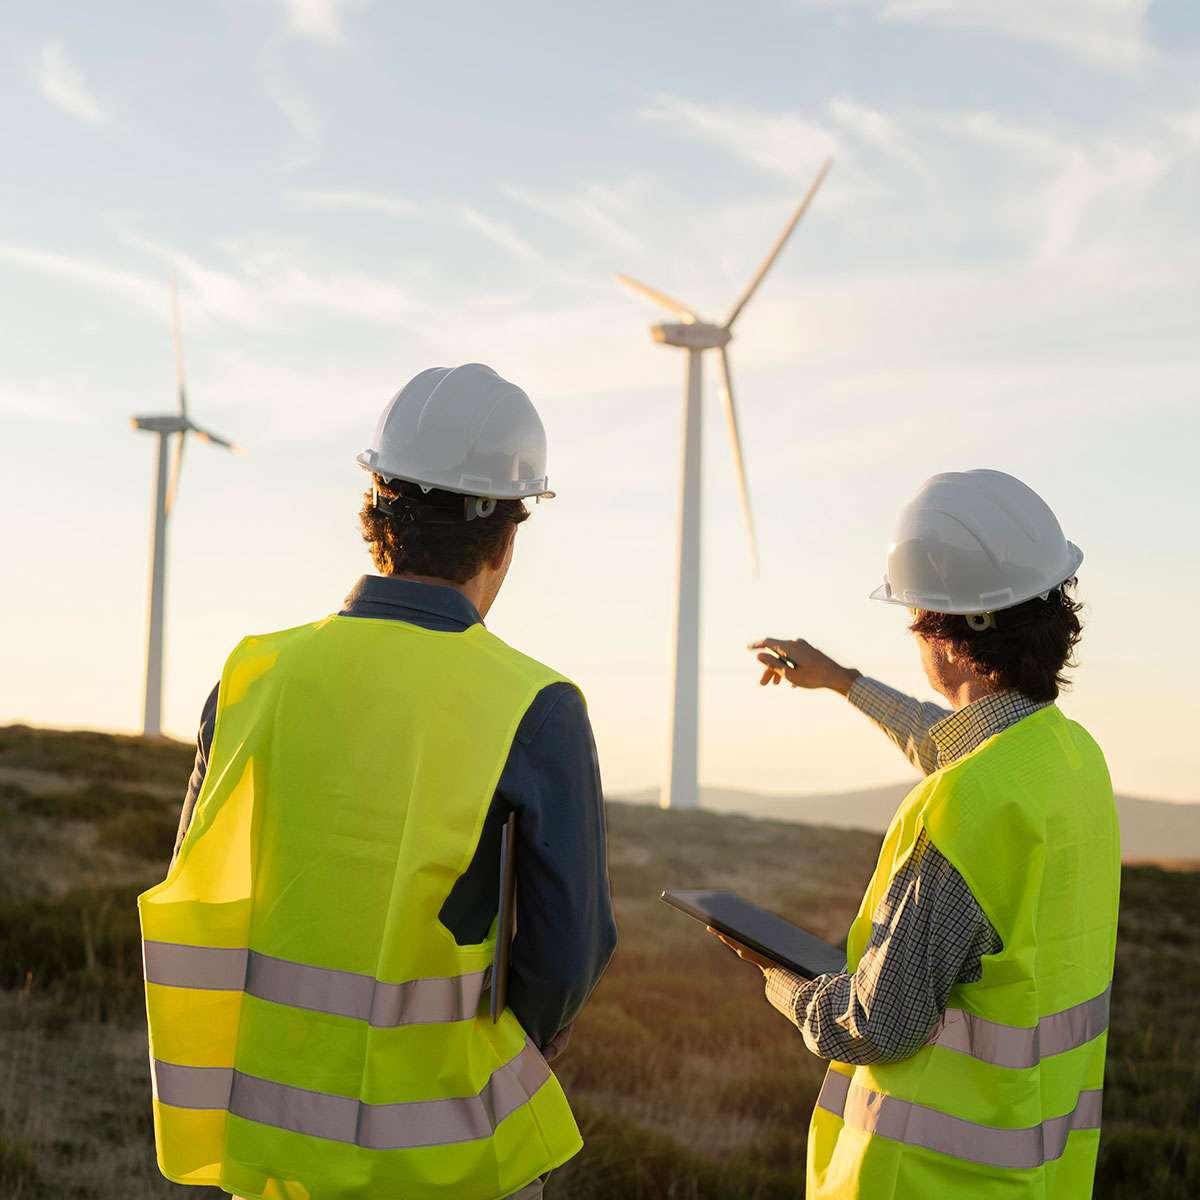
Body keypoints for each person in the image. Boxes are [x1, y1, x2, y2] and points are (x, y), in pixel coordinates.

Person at [138, 363, 618, 1200]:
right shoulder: (534, 707)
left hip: (269, 1148)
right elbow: (567, 953)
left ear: (375, 510)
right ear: (507, 536)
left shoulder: (254, 674)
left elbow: (199, 880)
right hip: (449, 1158)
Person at [715, 469, 1119, 1199]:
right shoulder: (1071, 758)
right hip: (1041, 1174)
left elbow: (878, 1025)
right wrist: (844, 682)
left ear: (955, 640)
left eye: (916, 619)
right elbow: (959, 742)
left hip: (925, 1180)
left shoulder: (966, 806)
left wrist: (780, 979)